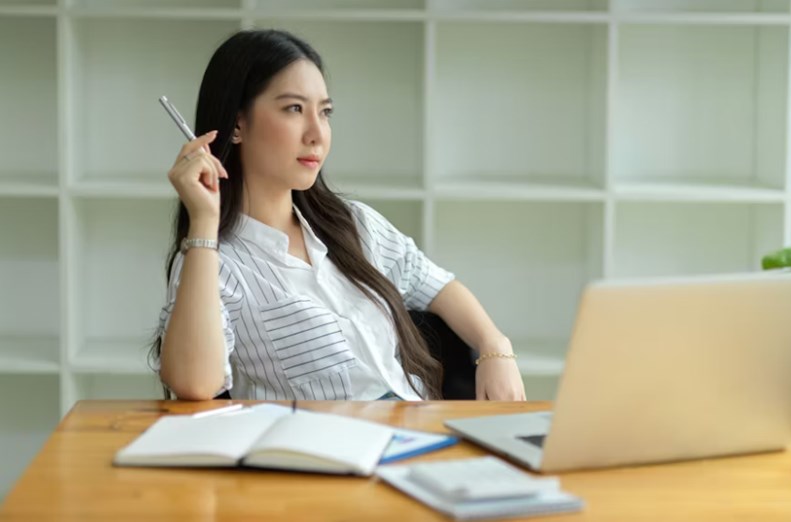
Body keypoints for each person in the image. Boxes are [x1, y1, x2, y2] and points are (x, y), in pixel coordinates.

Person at [152, 29, 526, 402]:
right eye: (294, 109)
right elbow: (195, 384)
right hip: (318, 453)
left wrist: (495, 348)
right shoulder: (215, 262)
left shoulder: (353, 224)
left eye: (325, 112)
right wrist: (203, 221)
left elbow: (435, 283)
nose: (317, 133)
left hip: (415, 432)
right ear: (237, 125)